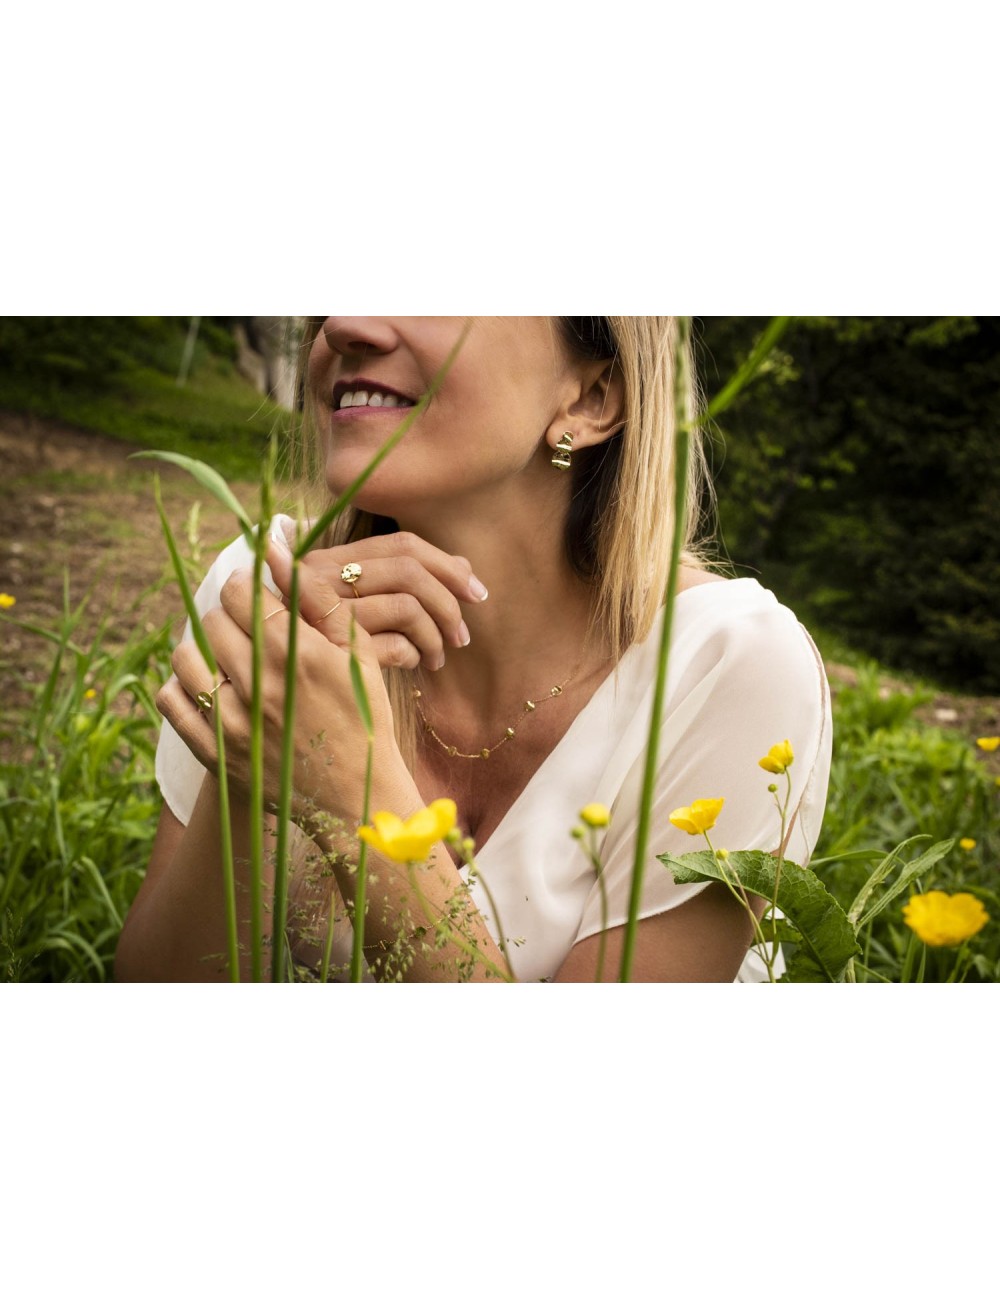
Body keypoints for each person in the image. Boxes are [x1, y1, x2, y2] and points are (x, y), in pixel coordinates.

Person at [115, 317, 831, 982]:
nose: (343, 326)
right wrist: (250, 759)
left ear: (591, 398)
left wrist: (352, 792)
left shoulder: (727, 666)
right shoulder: (264, 591)